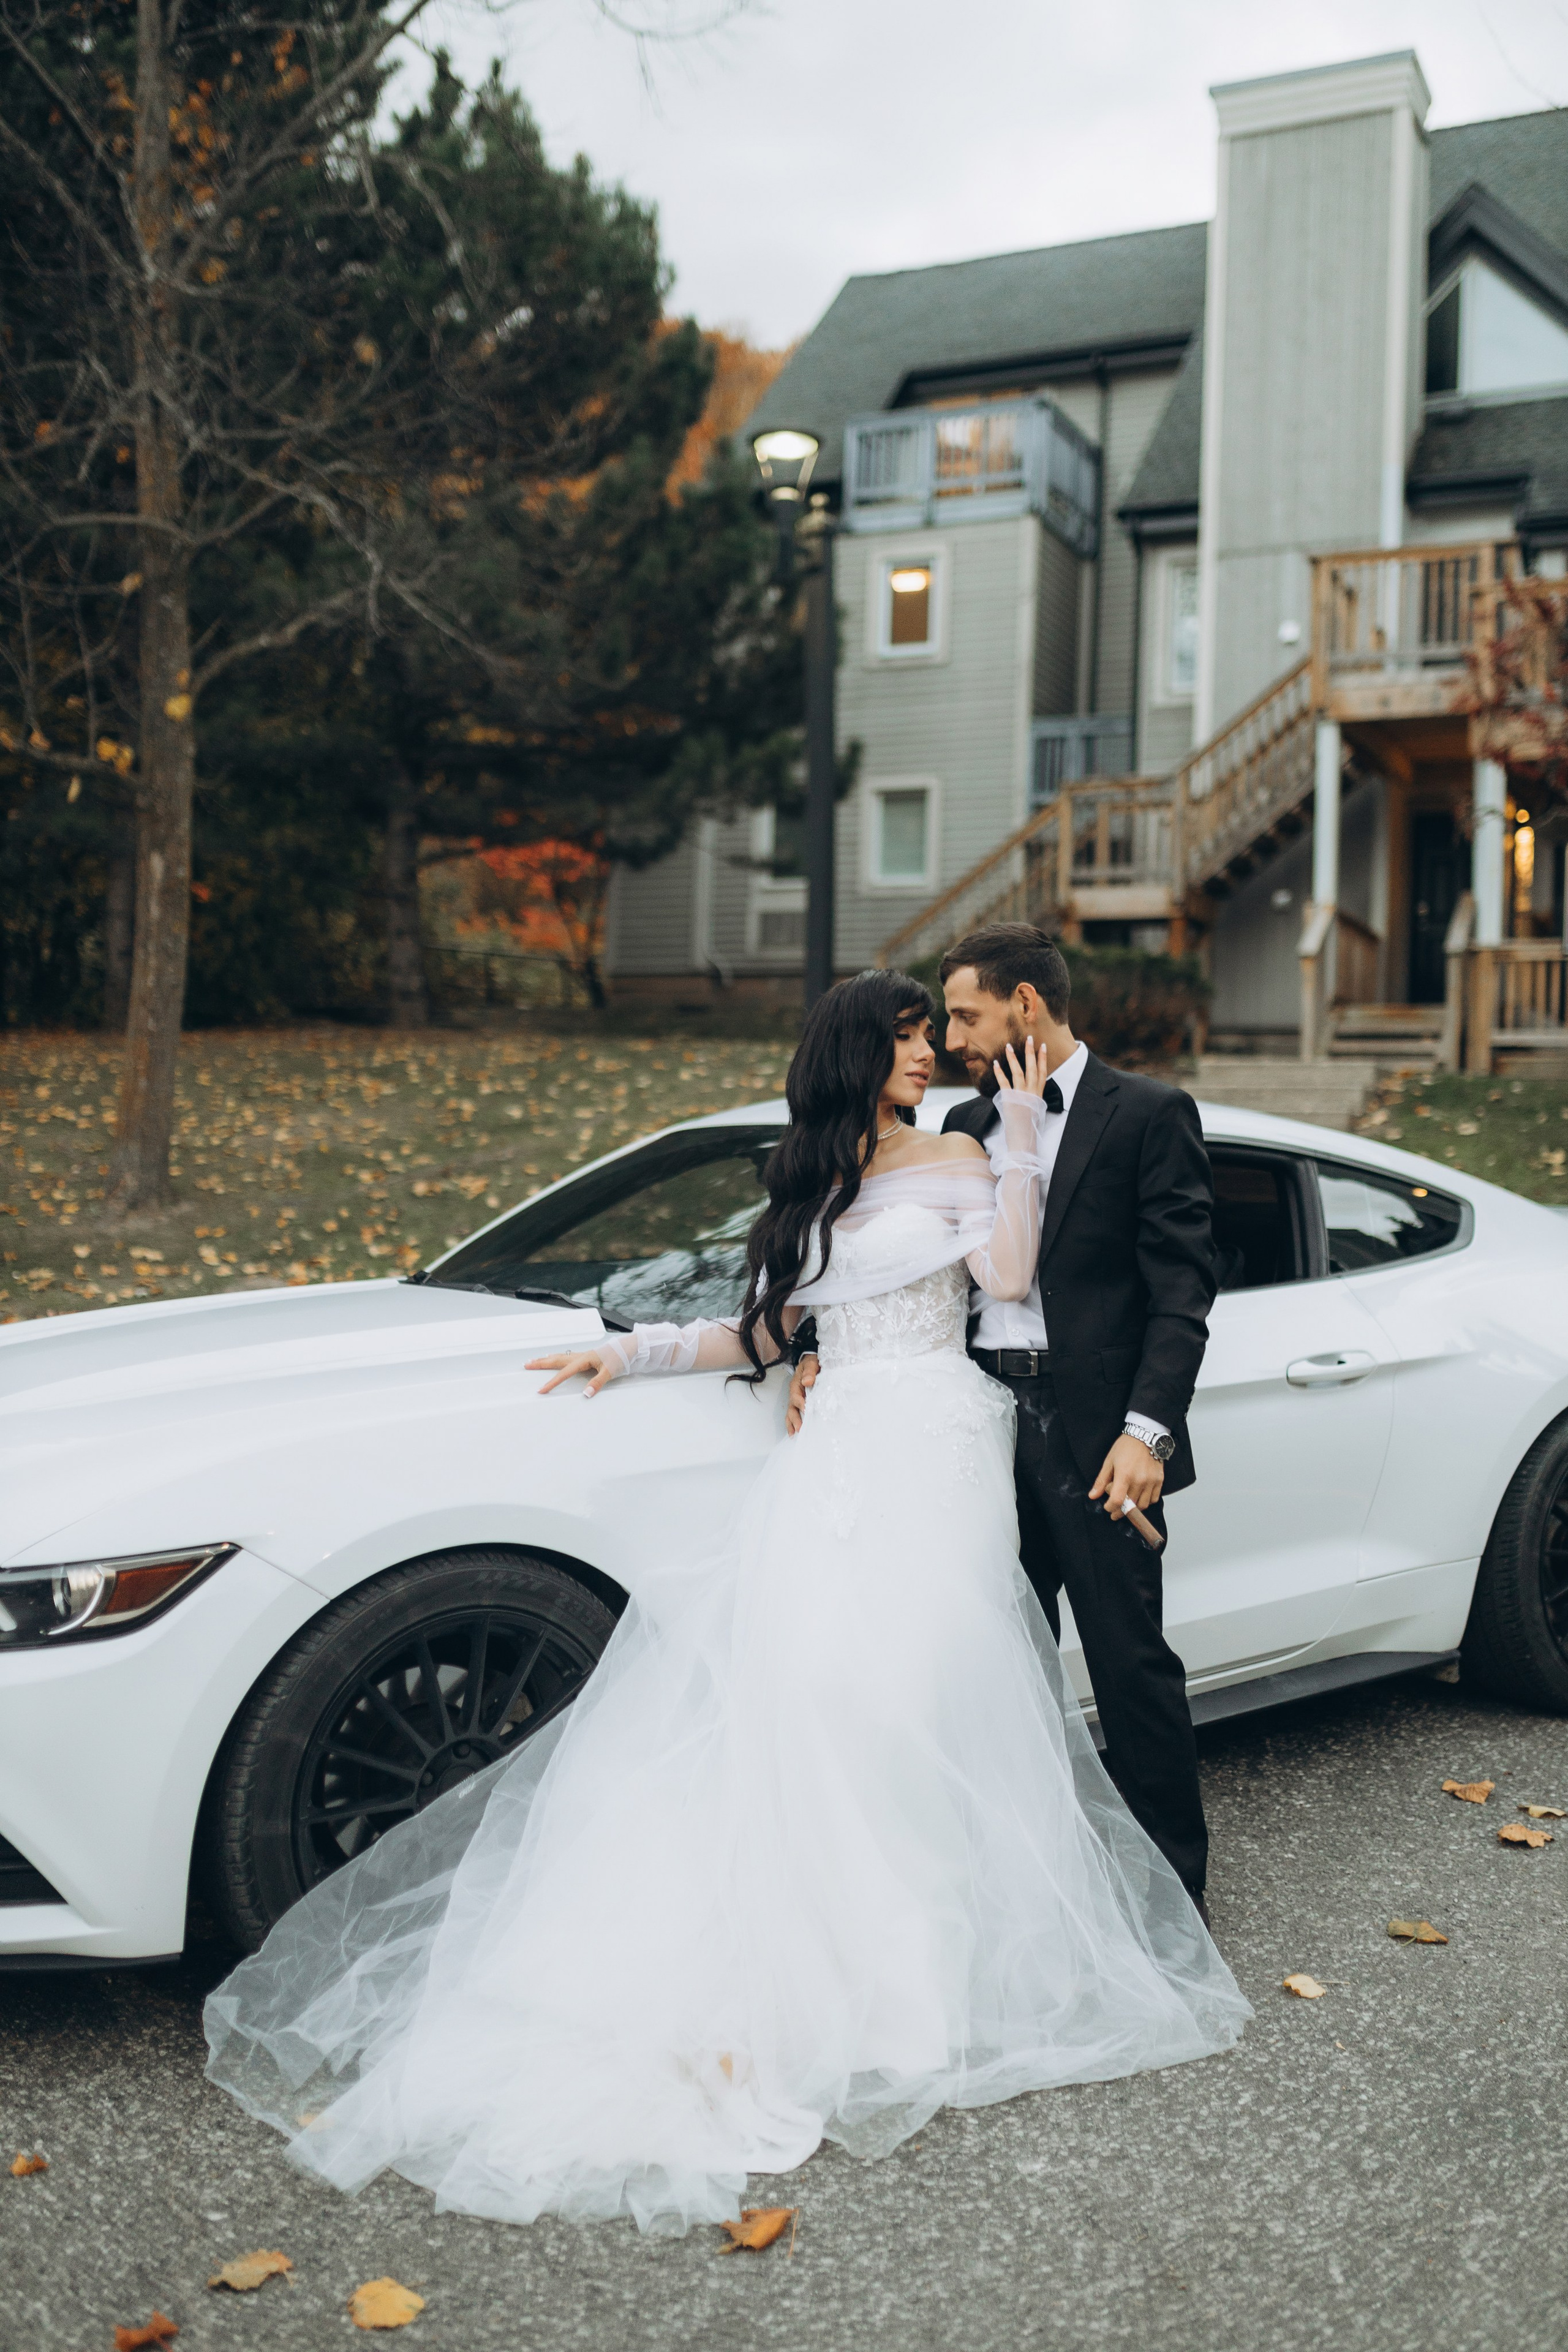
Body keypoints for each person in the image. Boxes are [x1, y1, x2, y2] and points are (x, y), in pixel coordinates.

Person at [203, 970, 1248, 2239]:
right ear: (856, 1054)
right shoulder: (805, 1181)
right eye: (911, 1039)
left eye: (934, 1036)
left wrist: (1020, 1139)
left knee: (908, 1704)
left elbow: (1012, 1275)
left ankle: (916, 1988)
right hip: (834, 1457)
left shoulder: (968, 1152)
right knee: (807, 1700)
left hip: (937, 1451)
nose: (928, 1057)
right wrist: (631, 1351)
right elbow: (765, 1330)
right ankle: (808, 1977)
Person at [790, 924, 1217, 1912]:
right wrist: (816, 1348)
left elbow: (1183, 1292)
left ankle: (1172, 1904)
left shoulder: (1149, 1113)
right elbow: (893, 1258)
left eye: (967, 1013)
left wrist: (1146, 1432)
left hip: (1099, 1436)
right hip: (972, 1428)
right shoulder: (969, 1127)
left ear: (1027, 1003)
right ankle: (1022, 1901)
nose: (950, 1036)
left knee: (1128, 1662)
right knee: (989, 1671)